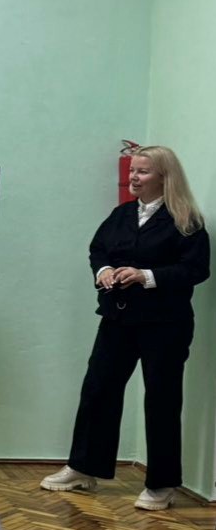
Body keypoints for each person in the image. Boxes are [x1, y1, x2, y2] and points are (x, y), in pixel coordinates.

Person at [43, 145, 210, 510]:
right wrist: (103, 271)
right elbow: (98, 250)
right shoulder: (121, 214)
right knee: (97, 390)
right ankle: (83, 468)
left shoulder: (187, 220)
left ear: (165, 177)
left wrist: (145, 276)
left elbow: (196, 270)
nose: (133, 177)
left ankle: (162, 484)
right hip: (117, 319)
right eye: (132, 170)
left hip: (165, 325)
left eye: (143, 171)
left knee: (162, 400)